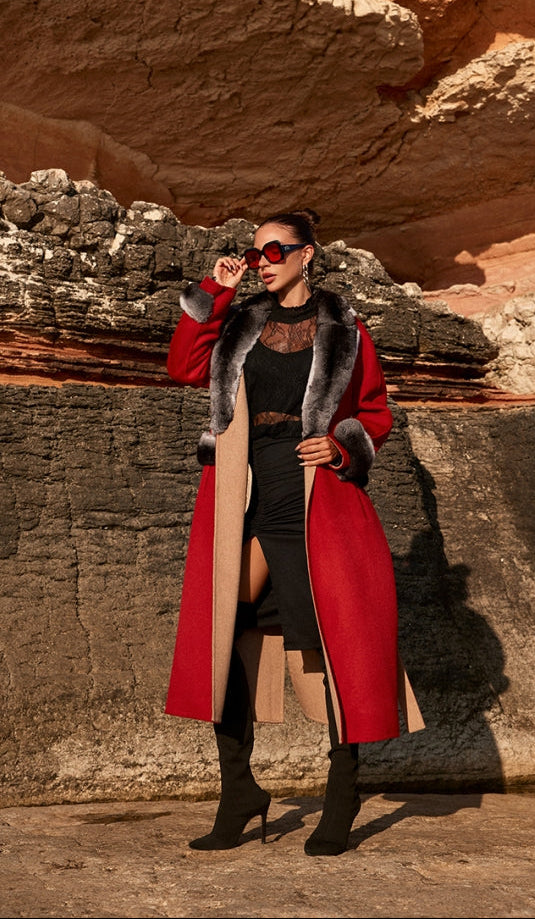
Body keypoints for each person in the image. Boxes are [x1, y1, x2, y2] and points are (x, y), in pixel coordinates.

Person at [164, 208, 424, 856]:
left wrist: (341, 451)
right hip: (241, 493)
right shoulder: (240, 320)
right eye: (255, 253)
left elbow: (373, 413)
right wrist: (215, 288)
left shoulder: (346, 328)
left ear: (307, 254)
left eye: (276, 249)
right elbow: (182, 367)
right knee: (222, 637)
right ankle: (239, 791)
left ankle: (342, 792)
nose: (264, 259)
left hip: (312, 498)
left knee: (331, 646)